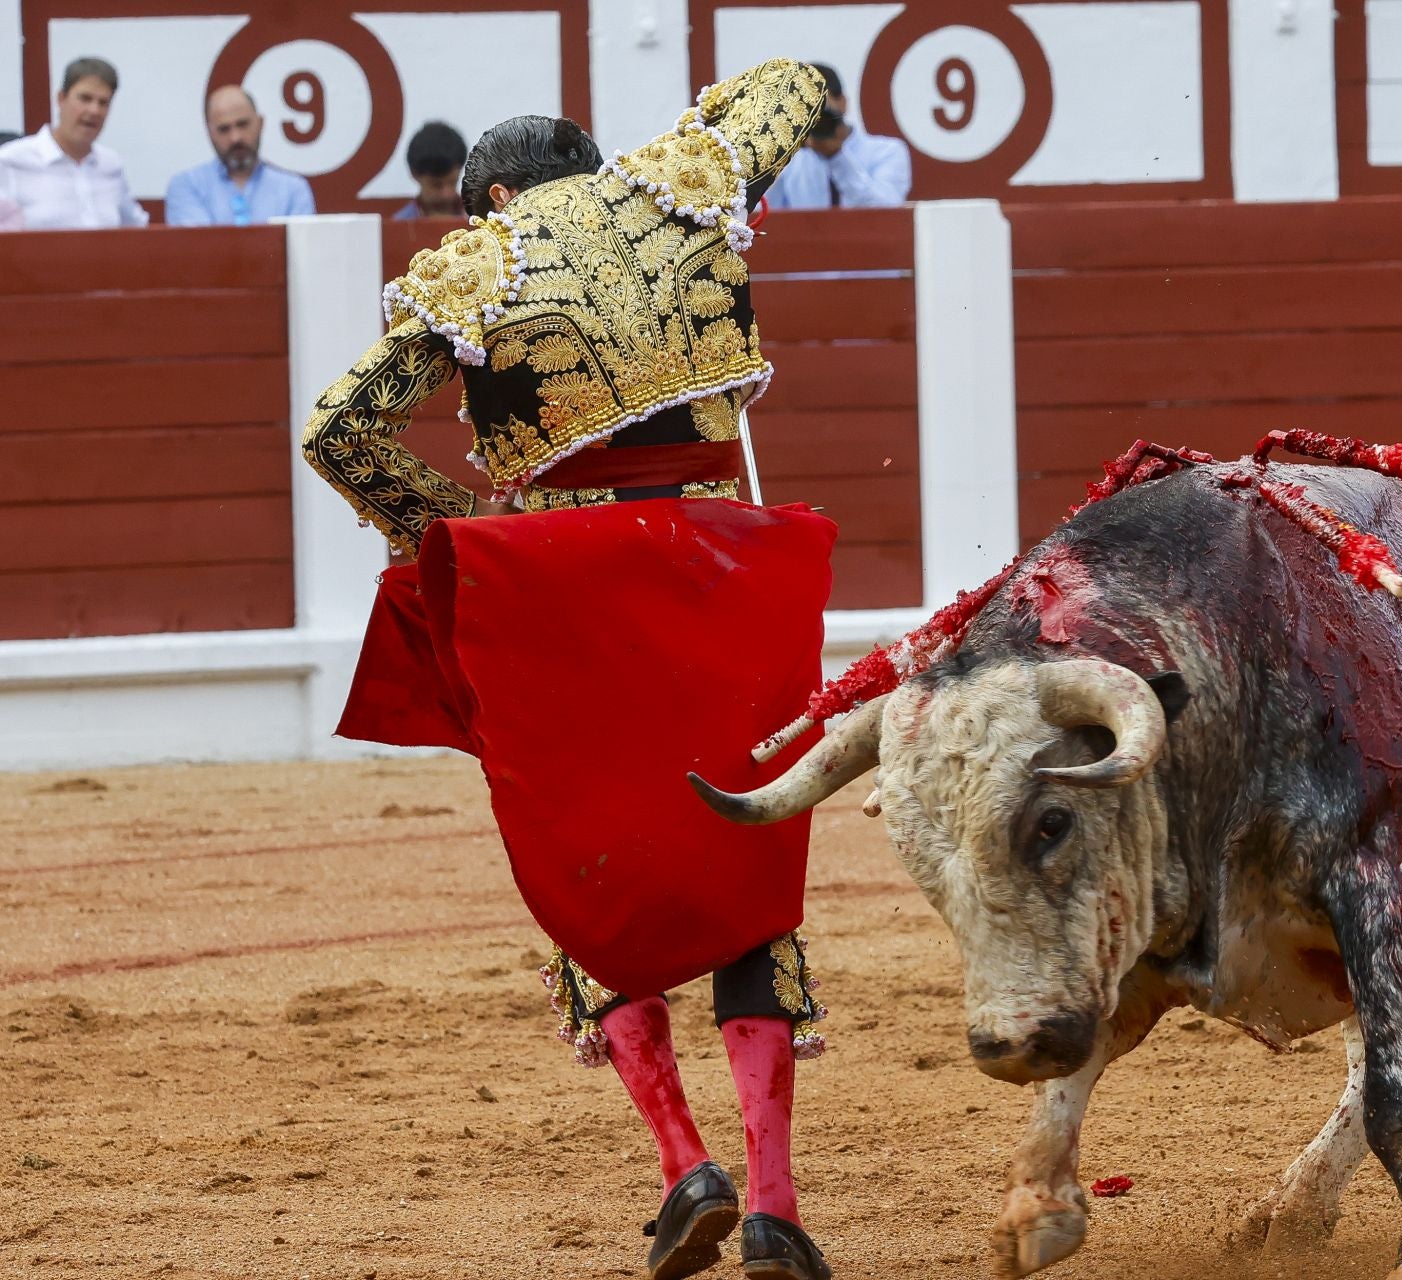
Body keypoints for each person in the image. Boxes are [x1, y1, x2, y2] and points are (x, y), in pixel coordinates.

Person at [301, 60, 836, 1280]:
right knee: (745, 860)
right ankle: (774, 1201)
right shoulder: (683, 191)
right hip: (724, 569)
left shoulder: (480, 259)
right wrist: (662, 164)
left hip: (567, 594)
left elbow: (339, 430)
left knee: (595, 861)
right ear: (600, 170)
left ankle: (682, 1164)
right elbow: (797, 83)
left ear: (489, 194)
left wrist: (462, 538)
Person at [0, 57, 147, 229]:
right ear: (61, 99)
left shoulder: (111, 165)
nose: (94, 110)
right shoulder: (10, 161)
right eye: (85, 98)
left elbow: (137, 229)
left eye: (103, 103)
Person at [764, 62, 910, 208]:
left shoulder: (887, 151)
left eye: (821, 110)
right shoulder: (791, 162)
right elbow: (761, 216)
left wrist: (837, 157)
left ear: (843, 103)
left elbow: (887, 210)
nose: (815, 120)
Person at [164, 85, 316, 225]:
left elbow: (301, 251)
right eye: (224, 129)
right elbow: (198, 249)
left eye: (242, 124)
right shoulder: (187, 186)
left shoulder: (293, 190)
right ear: (210, 134)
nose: (235, 137)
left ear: (260, 124)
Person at [393, 120, 466, 219]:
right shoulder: (399, 225)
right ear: (414, 174)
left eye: (453, 182)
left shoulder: (483, 222)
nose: (447, 194)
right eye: (436, 185)